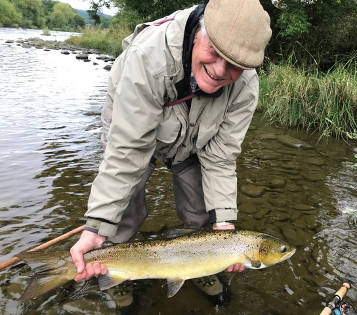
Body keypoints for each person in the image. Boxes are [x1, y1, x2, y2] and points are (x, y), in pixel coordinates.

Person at [70, 0, 272, 301]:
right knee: (122, 212)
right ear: (199, 30)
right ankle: (117, 273)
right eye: (215, 52)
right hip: (132, 134)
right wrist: (97, 226)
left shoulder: (245, 86)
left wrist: (225, 225)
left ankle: (199, 267)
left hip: (192, 142)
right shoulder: (147, 58)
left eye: (235, 66)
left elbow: (221, 156)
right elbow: (127, 153)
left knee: (205, 211)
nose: (219, 71)